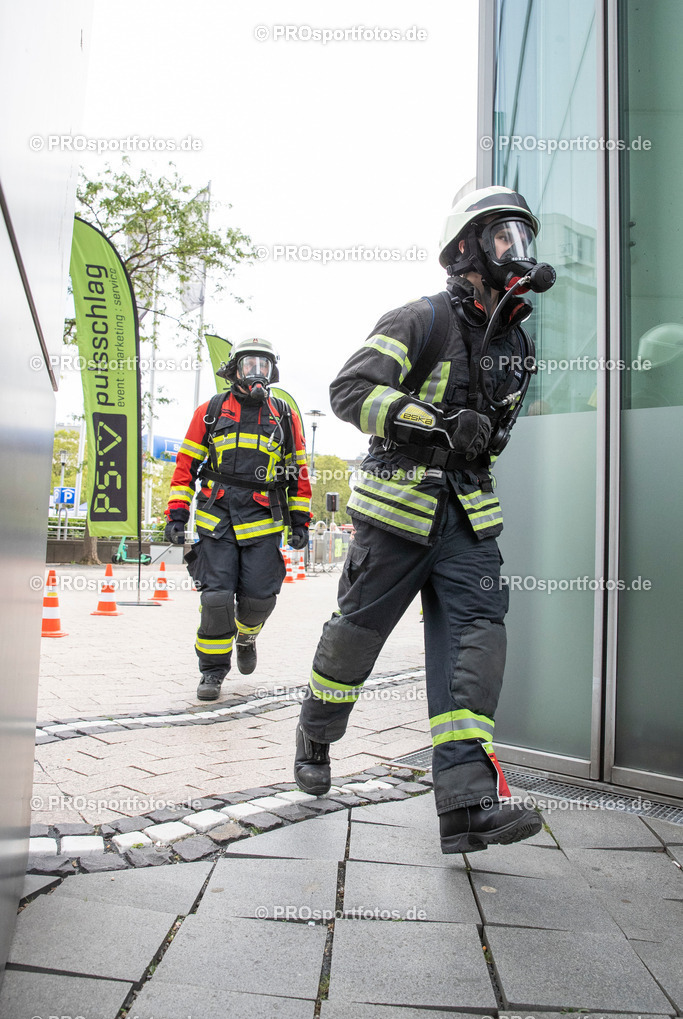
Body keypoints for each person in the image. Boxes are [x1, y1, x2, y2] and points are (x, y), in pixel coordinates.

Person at [294, 186, 554, 854]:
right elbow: (349, 392)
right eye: (504, 238)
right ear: (465, 248)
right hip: (394, 515)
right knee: (355, 639)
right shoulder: (419, 318)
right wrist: (435, 423)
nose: (517, 253)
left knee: (476, 646)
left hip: (468, 522)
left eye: (523, 240)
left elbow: (494, 437)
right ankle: (317, 731)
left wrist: (473, 439)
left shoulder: (518, 345)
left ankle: (466, 807)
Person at [165, 337, 311, 701]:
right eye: (250, 365)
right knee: (216, 598)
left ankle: (247, 636)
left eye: (263, 366)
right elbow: (186, 466)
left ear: (271, 371)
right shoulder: (210, 411)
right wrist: (177, 513)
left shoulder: (285, 415)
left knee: (259, 597)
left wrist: (300, 521)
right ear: (235, 369)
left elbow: (299, 472)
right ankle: (212, 672)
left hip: (262, 518)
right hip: (217, 518)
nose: (256, 373)